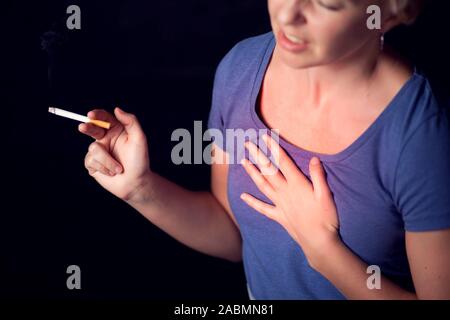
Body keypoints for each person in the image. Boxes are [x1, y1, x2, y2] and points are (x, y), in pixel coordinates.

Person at [78, 0, 450, 299]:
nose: (288, 15)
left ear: (389, 13)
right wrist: (140, 189)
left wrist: (323, 250)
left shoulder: (422, 136)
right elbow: (233, 235)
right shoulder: (240, 67)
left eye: (326, 4)